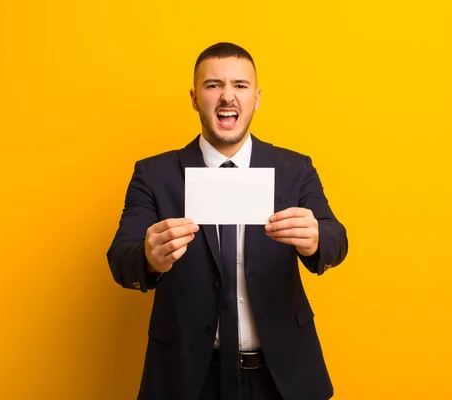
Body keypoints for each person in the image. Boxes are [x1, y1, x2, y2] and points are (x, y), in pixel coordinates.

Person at [107, 42, 348, 400]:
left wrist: (317, 239)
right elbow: (121, 259)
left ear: (256, 97)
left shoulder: (295, 168)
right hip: (187, 378)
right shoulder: (154, 174)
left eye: (240, 85)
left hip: (283, 376)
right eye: (213, 85)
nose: (227, 96)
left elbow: (336, 238)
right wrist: (148, 257)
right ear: (194, 97)